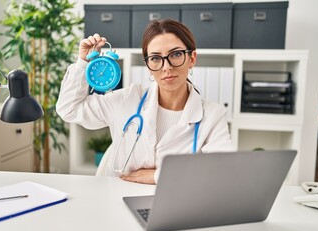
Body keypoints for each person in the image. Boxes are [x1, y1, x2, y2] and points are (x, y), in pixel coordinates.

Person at [56, 19, 234, 185]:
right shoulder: (127, 99)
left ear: (192, 58)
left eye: (176, 54)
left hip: (175, 205)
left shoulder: (212, 115)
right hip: (117, 201)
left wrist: (158, 176)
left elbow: (223, 171)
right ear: (148, 66)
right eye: (156, 58)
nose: (166, 67)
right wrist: (82, 63)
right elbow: (69, 109)